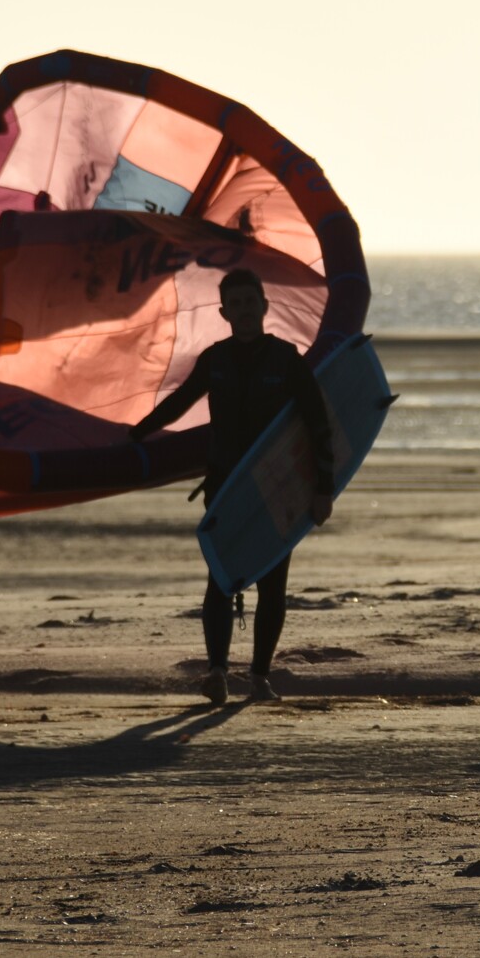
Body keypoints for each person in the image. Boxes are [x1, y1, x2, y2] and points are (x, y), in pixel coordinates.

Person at [129, 268, 336, 706]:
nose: (243, 311)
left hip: (278, 490)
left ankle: (259, 677)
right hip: (225, 486)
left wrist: (324, 490)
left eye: (250, 302)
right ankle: (218, 671)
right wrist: (136, 436)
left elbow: (320, 426)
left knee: (272, 585)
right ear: (224, 312)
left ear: (264, 306)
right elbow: (179, 402)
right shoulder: (215, 359)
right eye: (235, 304)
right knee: (220, 580)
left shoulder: (286, 359)